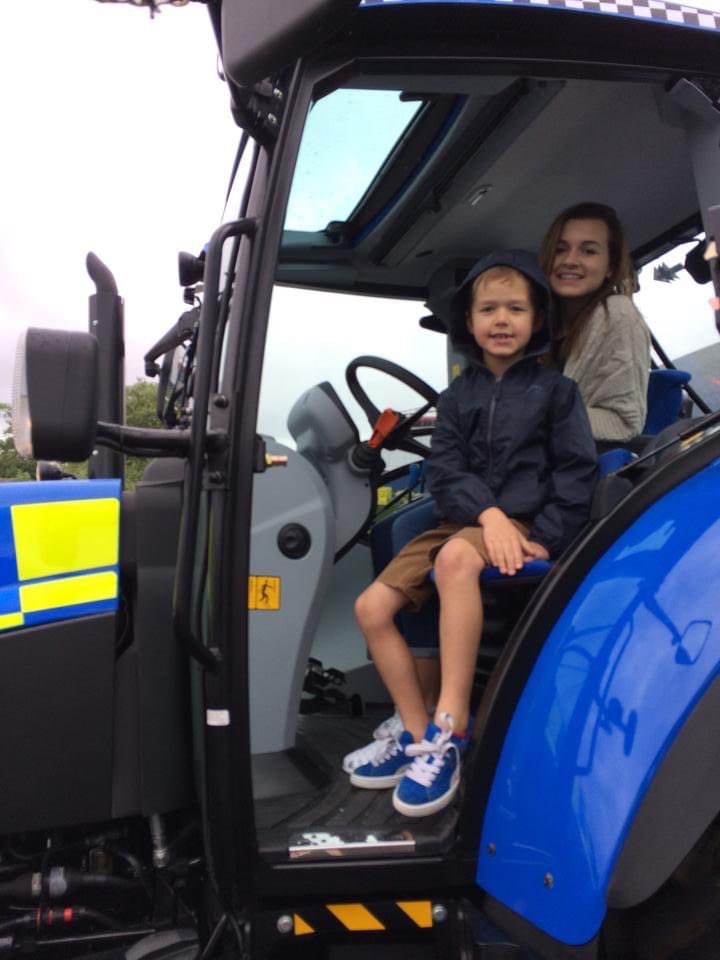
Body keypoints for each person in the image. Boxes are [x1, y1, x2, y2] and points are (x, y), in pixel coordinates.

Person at [347, 250, 598, 817]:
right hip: (465, 520)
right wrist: (486, 516)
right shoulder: (458, 396)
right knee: (370, 608)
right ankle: (415, 735)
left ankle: (450, 727)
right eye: (489, 309)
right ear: (470, 322)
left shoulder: (558, 393)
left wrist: (546, 537)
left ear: (537, 321)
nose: (502, 319)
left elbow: (576, 473)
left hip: (525, 524)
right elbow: (446, 472)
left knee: (456, 561)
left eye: (516, 308)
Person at [539, 202, 651, 449]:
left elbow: (624, 422)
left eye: (588, 251)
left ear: (610, 267)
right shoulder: (537, 327)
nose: (570, 260)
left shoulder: (617, 314)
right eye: (560, 249)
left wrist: (535, 417)